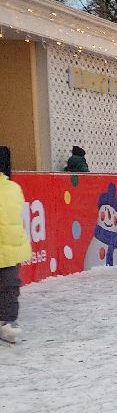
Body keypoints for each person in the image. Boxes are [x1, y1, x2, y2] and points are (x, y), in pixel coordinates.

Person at [0, 146, 31, 344]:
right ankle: (8, 322)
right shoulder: (14, 187)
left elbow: (22, 218)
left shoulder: (12, 188)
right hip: (11, 248)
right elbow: (24, 219)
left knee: (9, 287)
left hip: (10, 248)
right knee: (10, 287)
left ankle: (8, 322)